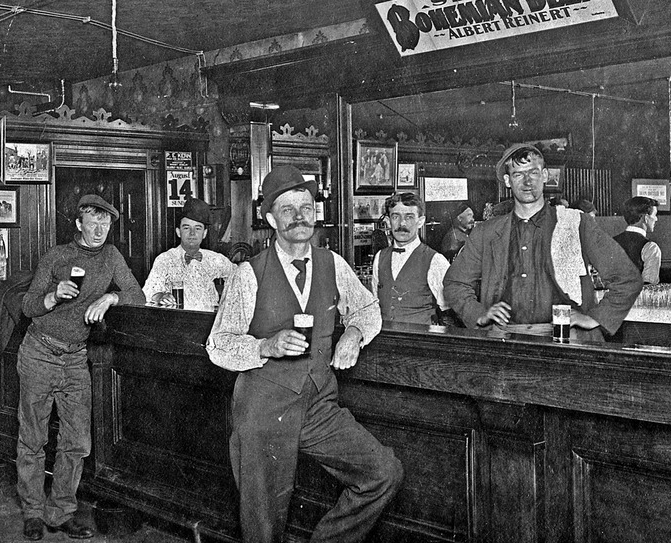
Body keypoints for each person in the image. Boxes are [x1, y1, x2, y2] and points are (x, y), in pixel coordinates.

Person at [206, 165, 403, 543]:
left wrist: (356, 334)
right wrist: (264, 345)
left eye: (306, 207)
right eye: (287, 209)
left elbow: (367, 308)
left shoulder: (333, 263)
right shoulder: (248, 273)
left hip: (318, 405)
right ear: (269, 218)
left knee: (383, 473)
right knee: (262, 525)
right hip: (264, 409)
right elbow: (219, 343)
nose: (300, 217)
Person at [17, 194, 146, 541]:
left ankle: (60, 513)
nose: (100, 229)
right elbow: (28, 305)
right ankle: (32, 511)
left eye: (106, 223)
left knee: (76, 442)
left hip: (76, 357)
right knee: (33, 437)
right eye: (94, 222)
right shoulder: (57, 256)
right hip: (39, 353)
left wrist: (111, 297)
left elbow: (138, 293)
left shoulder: (111, 256)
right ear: (78, 224)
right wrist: (53, 296)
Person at [443, 144, 642, 341]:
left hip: (570, 342)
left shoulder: (577, 223)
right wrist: (478, 314)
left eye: (534, 172)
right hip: (506, 344)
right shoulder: (485, 233)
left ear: (545, 175)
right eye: (518, 174)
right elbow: (454, 284)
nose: (527, 181)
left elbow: (627, 278)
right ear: (507, 181)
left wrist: (594, 318)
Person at [372, 191, 451, 325]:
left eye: (409, 217)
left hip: (419, 341)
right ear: (388, 221)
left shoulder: (435, 261)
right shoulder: (380, 257)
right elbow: (374, 304)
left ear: (420, 221)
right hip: (385, 340)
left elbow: (449, 311)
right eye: (395, 216)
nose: (402, 223)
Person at [142, 197, 235, 311]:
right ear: (178, 232)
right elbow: (148, 292)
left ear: (204, 233)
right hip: (179, 321)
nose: (192, 233)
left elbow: (239, 276)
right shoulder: (165, 260)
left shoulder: (214, 259)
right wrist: (160, 296)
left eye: (198, 228)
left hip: (210, 321)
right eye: (186, 228)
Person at [614, 196, 662, 285]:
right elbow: (649, 288)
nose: (656, 219)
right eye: (654, 215)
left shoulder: (610, 243)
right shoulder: (651, 248)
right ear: (646, 218)